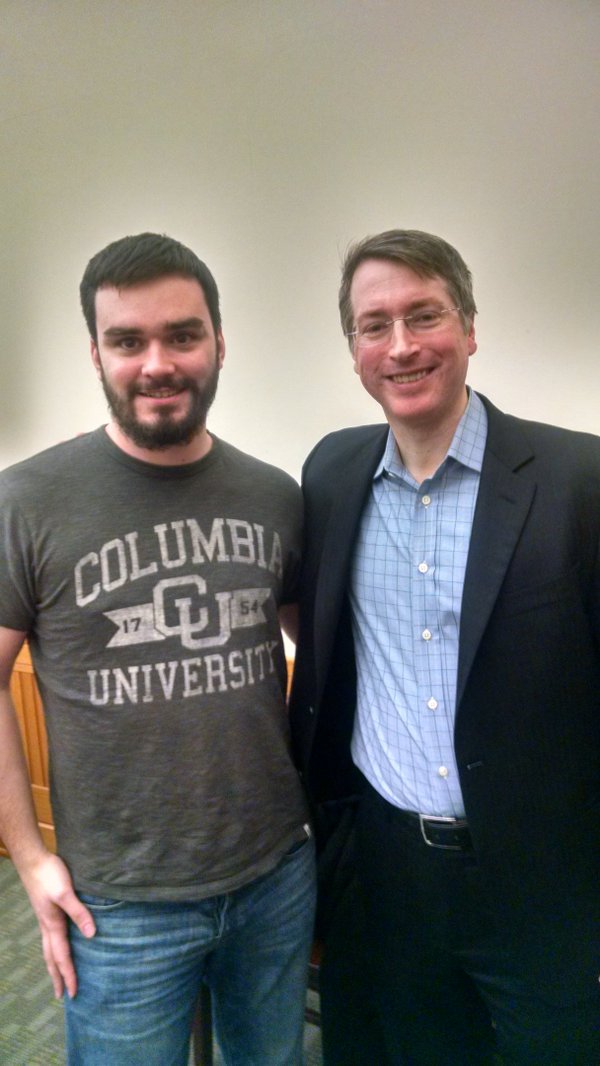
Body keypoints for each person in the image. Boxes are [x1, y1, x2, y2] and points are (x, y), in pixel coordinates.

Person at [0, 232, 316, 1066]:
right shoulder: (26, 501)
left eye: (182, 334)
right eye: (128, 340)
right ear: (95, 352)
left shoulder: (276, 496)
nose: (157, 363)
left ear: (219, 340)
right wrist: (30, 858)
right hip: (120, 903)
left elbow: (322, 656)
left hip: (275, 875)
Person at [289, 229, 600, 1065]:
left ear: (468, 326)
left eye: (423, 315)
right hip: (391, 872)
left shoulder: (579, 480)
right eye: (373, 324)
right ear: (352, 349)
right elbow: (315, 628)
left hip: (543, 877)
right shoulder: (330, 473)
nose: (400, 346)